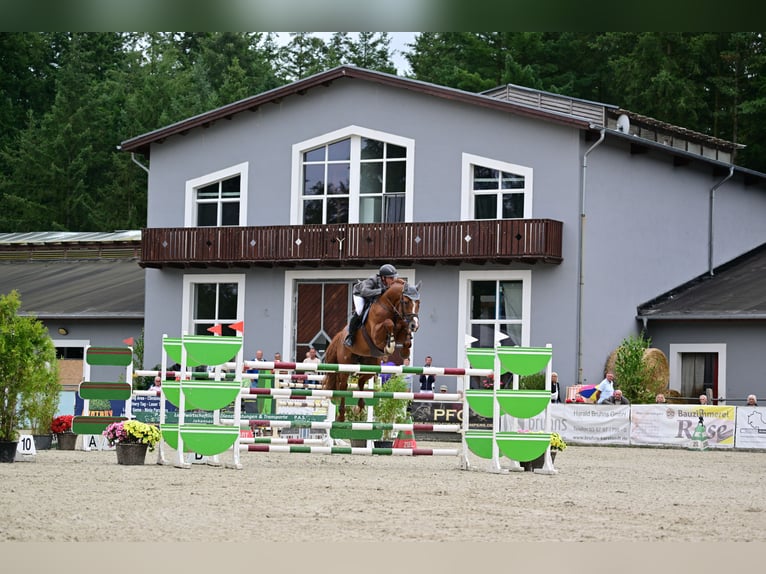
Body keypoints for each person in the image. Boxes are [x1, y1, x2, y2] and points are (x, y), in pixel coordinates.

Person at [345, 264, 400, 347]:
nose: (393, 280)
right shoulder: (372, 280)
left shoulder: (390, 284)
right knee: (360, 312)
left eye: (394, 277)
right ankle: (350, 337)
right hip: (360, 295)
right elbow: (365, 292)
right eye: (391, 278)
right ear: (383, 278)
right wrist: (381, 290)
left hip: (374, 296)